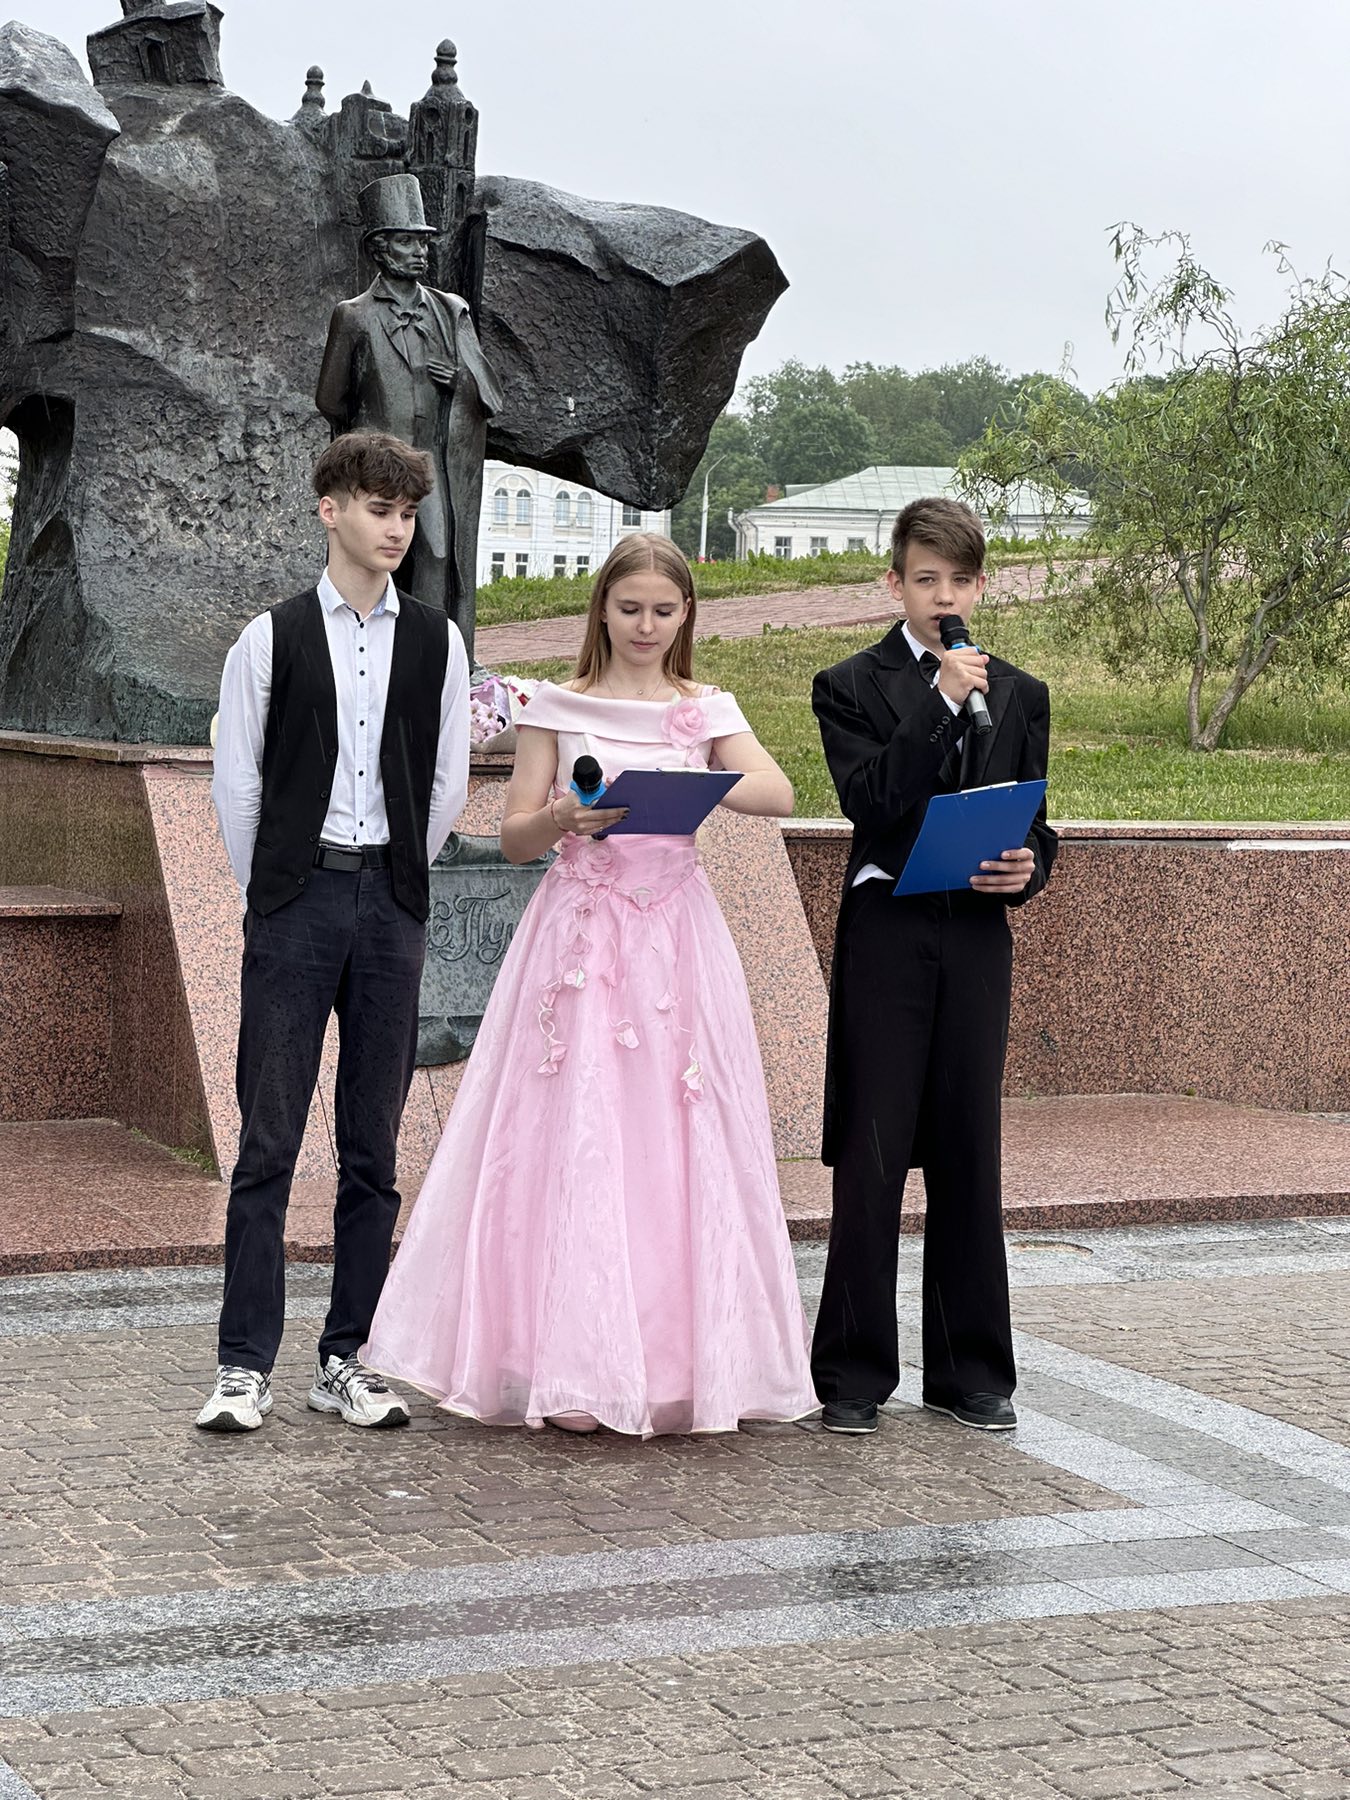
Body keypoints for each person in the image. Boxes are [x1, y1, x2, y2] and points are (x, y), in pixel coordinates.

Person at [361, 533, 816, 1436]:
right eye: (630, 607)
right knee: (575, 1130)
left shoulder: (705, 706)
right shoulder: (555, 705)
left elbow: (781, 792)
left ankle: (675, 1364)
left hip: (676, 941)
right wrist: (567, 816)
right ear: (601, 607)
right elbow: (514, 836)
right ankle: (564, 1362)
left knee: (673, 1138)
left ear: (686, 615)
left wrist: (702, 777)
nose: (646, 625)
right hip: (579, 940)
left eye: (664, 610)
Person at [198, 430, 470, 1432]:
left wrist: (396, 878)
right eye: (377, 509)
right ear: (331, 510)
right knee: (268, 1141)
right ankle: (243, 1366)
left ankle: (346, 1358)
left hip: (389, 903)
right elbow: (238, 780)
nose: (396, 529)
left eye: (406, 513)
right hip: (297, 900)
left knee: (373, 1149)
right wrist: (276, 889)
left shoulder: (438, 642)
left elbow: (444, 784)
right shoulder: (269, 638)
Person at [810, 497, 1057, 1436]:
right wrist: (942, 701)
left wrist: (1030, 868)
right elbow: (871, 802)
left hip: (975, 932)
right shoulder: (850, 684)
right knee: (872, 1151)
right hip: (889, 930)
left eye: (958, 580)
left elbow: (1036, 820)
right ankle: (852, 1373)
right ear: (895, 584)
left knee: (968, 1148)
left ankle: (970, 1371)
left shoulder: (1020, 693)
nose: (942, 596)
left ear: (980, 586)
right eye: (925, 580)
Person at [315, 173, 505, 651]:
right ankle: (364, 645)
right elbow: (330, 398)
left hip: (430, 465)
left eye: (423, 242)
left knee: (436, 554)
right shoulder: (354, 315)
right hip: (374, 465)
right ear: (380, 250)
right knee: (369, 557)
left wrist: (457, 380)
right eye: (406, 242)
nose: (420, 252)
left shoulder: (449, 311)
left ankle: (428, 653)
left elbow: (489, 393)